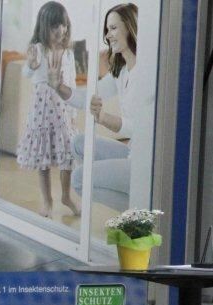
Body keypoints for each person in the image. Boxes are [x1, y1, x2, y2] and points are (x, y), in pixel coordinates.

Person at [71, 3, 147, 211]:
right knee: (78, 143)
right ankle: (138, 208)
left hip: (144, 161)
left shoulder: (146, 72)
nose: (108, 35)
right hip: (132, 151)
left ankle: (141, 213)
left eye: (113, 28)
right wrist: (58, 87)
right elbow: (88, 96)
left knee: (79, 178)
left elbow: (140, 127)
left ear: (130, 27)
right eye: (107, 29)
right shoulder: (121, 71)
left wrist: (103, 117)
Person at [16, 1, 80, 219]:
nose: (59, 31)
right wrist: (31, 65)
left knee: (68, 152)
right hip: (42, 108)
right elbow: (26, 72)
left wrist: (73, 113)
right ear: (44, 27)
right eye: (54, 27)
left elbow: (71, 84)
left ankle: (66, 195)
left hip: (62, 107)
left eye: (62, 26)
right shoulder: (38, 50)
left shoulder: (69, 54)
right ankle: (47, 199)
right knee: (43, 156)